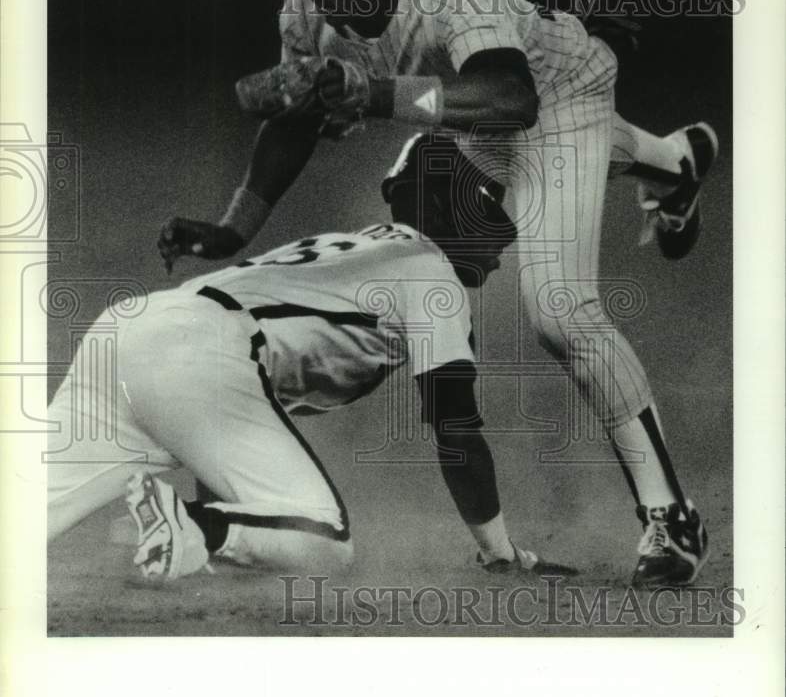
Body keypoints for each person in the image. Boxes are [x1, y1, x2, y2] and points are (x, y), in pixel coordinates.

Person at [158, 0, 714, 587]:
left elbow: (512, 100)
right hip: (465, 112)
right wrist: (236, 226)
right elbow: (293, 116)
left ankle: (672, 519)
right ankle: (673, 163)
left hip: (553, 96)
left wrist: (381, 94)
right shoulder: (306, 7)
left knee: (560, 312)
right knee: (419, 227)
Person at [48, 135, 576, 582]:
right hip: (202, 347)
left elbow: (230, 417)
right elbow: (455, 428)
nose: (501, 246)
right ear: (444, 208)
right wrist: (500, 552)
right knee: (324, 542)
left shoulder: (350, 246)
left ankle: (192, 528)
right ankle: (191, 526)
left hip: (127, 328)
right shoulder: (430, 271)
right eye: (488, 218)